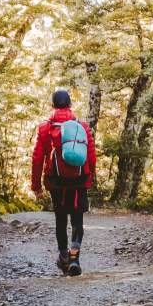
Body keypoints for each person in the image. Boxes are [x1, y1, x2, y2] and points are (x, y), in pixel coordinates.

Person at [31, 88, 96, 276]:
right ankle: (75, 256)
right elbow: (91, 155)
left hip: (56, 181)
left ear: (53, 105)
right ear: (70, 104)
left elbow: (37, 158)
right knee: (77, 219)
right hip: (79, 179)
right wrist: (90, 175)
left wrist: (36, 186)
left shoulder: (45, 127)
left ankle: (63, 256)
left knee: (61, 219)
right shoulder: (82, 126)